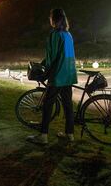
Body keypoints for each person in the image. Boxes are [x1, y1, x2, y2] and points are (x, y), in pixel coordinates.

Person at [27, 8, 78, 145]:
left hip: (58, 75)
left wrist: (45, 71)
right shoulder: (68, 35)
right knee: (68, 105)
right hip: (69, 74)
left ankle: (43, 136)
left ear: (54, 19)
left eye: (50, 18)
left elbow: (53, 57)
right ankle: (69, 134)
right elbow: (63, 54)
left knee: (47, 105)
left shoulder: (55, 35)